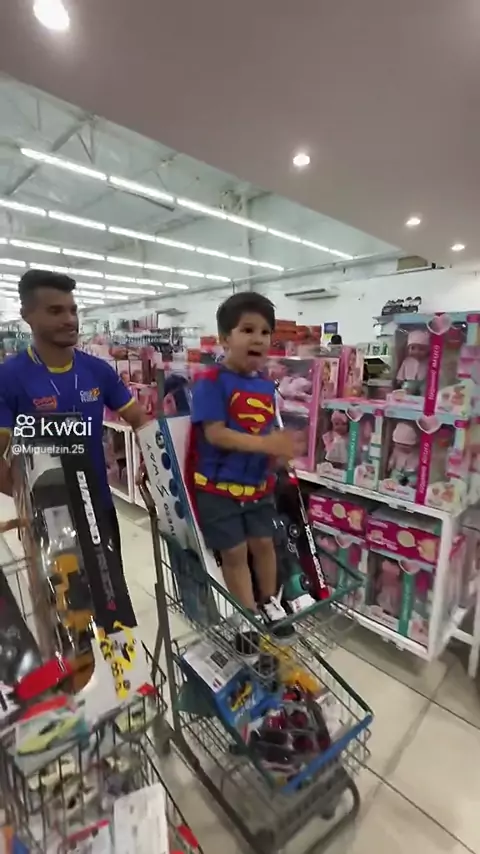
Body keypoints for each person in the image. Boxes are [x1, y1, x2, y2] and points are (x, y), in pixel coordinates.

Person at [0, 269, 149, 566]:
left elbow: (140, 418)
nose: (70, 319)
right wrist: (25, 499)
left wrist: (150, 458)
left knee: (110, 585)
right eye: (55, 311)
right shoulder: (9, 378)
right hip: (46, 516)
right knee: (63, 592)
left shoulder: (97, 370)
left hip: (99, 506)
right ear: (27, 315)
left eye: (73, 310)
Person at [190, 291, 296, 649]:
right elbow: (215, 434)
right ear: (224, 338)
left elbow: (264, 429)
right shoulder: (210, 381)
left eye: (265, 332)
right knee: (234, 554)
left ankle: (270, 602)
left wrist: (277, 454)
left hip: (258, 485)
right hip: (218, 488)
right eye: (247, 330)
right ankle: (245, 615)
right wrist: (267, 445)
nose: (258, 339)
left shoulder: (266, 385)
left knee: (265, 544)